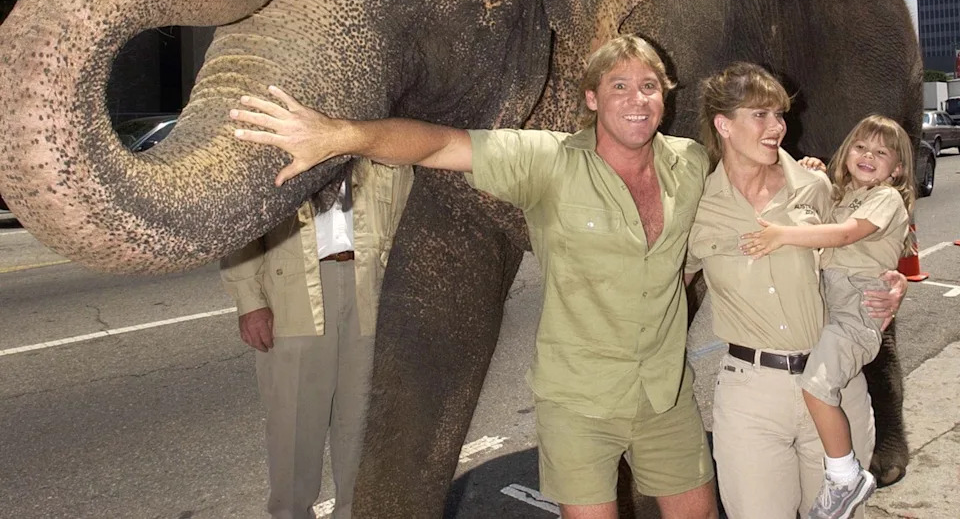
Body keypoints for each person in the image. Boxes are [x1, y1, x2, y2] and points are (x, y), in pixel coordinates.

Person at [229, 34, 718, 519]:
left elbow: (741, 195)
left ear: (666, 94)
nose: (637, 100)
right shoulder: (548, 161)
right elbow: (439, 145)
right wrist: (341, 135)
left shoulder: (689, 164)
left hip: (665, 393)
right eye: (620, 86)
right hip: (581, 402)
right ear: (592, 97)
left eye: (649, 86)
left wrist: (795, 171)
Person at [686, 63, 905, 519]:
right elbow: (669, 283)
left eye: (779, 115)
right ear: (724, 125)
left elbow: (856, 249)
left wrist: (893, 283)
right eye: (760, 115)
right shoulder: (698, 203)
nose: (777, 127)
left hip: (834, 386)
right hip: (751, 395)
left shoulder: (817, 185)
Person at [738, 115, 913, 519]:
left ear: (898, 168)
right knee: (817, 381)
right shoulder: (843, 192)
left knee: (817, 385)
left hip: (857, 302)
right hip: (832, 297)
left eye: (881, 153)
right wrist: (810, 170)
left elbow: (845, 234)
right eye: (860, 147)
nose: (868, 156)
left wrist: (781, 235)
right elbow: (819, 208)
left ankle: (844, 474)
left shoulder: (885, 198)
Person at [220, 159, 413, 519]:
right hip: (293, 292)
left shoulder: (380, 134)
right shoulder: (275, 143)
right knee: (293, 432)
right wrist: (250, 301)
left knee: (363, 431)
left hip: (372, 288)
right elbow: (241, 225)